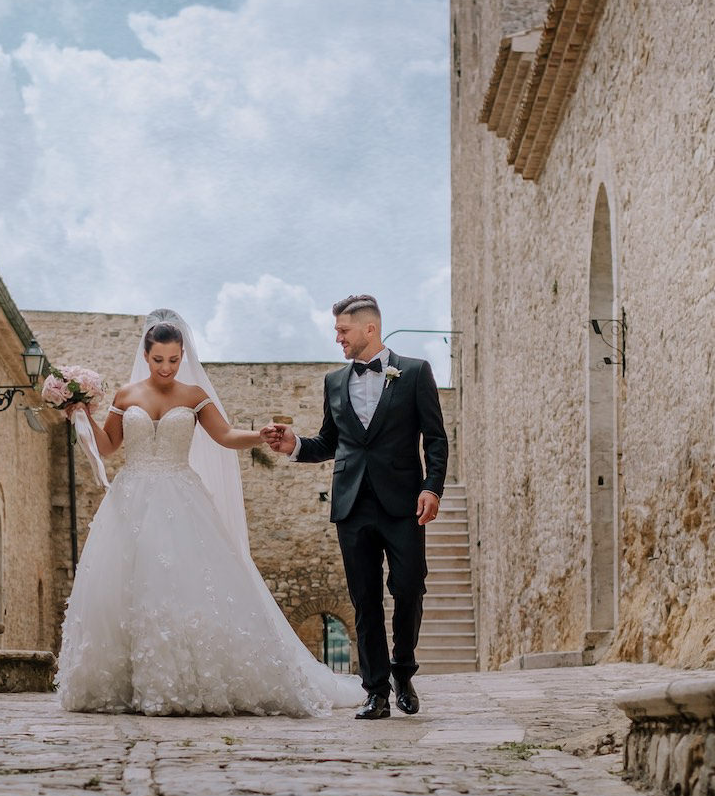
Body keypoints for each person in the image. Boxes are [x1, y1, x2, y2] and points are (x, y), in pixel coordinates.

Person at [55, 311, 362, 717]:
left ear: (183, 355)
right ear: (145, 356)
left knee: (183, 584)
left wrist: (260, 435)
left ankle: (184, 677)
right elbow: (109, 446)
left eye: (173, 359)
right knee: (127, 585)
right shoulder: (126, 396)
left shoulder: (193, 394)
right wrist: (80, 414)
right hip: (131, 500)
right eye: (158, 359)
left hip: (180, 497)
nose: (166, 367)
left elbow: (225, 435)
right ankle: (127, 681)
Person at [261, 294, 448, 721]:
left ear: (369, 329)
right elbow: (330, 441)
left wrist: (432, 488)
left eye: (343, 331)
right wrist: (294, 445)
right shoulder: (333, 381)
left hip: (403, 502)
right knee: (364, 599)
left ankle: (403, 670)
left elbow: (436, 438)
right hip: (351, 504)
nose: (338, 339)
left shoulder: (415, 372)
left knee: (409, 587)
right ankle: (376, 691)